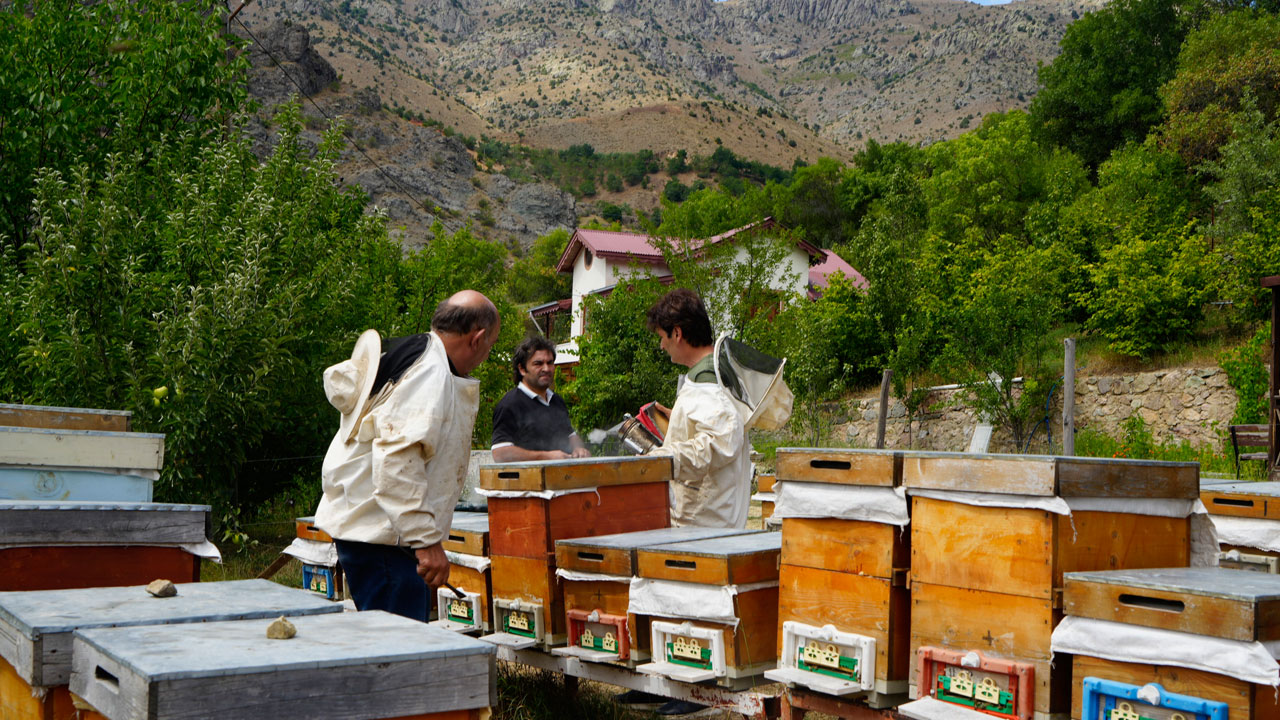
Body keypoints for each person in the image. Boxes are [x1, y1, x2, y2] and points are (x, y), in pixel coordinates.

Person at [313, 290, 501, 622]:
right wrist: (427, 543)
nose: (486, 354)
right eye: (490, 346)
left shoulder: (418, 352)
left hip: (380, 536)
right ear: (479, 338)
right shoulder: (430, 373)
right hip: (384, 539)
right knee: (397, 655)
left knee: (389, 648)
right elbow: (397, 461)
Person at [645, 288, 753, 531]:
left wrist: (663, 460)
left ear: (677, 333)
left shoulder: (708, 382)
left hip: (705, 524)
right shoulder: (712, 377)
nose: (662, 346)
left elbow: (720, 442)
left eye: (663, 337)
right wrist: (679, 421)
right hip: (708, 520)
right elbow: (719, 423)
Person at [490, 336, 590, 462]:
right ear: (522, 369)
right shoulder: (510, 404)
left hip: (561, 479)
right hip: (526, 481)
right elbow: (500, 453)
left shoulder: (557, 401)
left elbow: (571, 436)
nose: (546, 369)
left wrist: (579, 449)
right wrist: (547, 457)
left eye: (550, 362)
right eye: (538, 364)